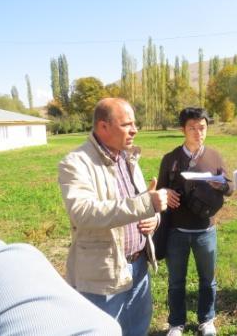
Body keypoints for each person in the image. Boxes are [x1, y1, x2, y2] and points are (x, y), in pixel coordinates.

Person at [58, 98, 168, 336]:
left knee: (138, 329)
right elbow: (83, 213)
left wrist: (154, 219)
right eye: (127, 124)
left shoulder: (127, 158)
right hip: (103, 274)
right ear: (103, 126)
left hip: (138, 266)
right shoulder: (75, 163)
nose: (135, 129)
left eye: (134, 123)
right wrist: (146, 203)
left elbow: (140, 205)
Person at [157, 107, 233, 336]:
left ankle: (206, 320)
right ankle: (176, 323)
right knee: (176, 281)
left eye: (202, 128)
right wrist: (166, 193)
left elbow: (230, 186)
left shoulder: (215, 156)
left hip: (205, 230)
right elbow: (160, 190)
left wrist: (222, 185)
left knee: (207, 279)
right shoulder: (170, 159)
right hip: (176, 231)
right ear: (183, 129)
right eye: (192, 128)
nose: (198, 132)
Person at [0, 239, 122, 336]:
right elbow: (81, 214)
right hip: (101, 270)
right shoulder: (22, 255)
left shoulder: (23, 254)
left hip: (129, 265)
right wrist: (137, 206)